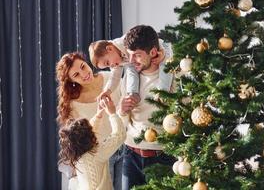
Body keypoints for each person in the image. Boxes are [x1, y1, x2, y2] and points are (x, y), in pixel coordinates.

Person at [118, 25, 176, 190]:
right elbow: (122, 123)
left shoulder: (173, 77)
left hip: (162, 157)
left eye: (137, 55)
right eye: (129, 55)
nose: (131, 61)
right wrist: (121, 111)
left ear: (153, 52)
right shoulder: (129, 80)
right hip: (130, 155)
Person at [56, 52, 123, 190]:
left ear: (87, 62)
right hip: (99, 157)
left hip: (125, 148)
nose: (84, 74)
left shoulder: (111, 79)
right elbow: (81, 138)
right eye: (76, 75)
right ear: (71, 81)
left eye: (83, 66)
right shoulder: (72, 104)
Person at [58, 95, 126, 190]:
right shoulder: (97, 153)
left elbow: (89, 131)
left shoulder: (77, 154)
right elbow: (119, 135)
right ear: (89, 137)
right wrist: (112, 113)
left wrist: (98, 115)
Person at [88, 33, 173, 101]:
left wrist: (162, 52)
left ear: (110, 49)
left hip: (160, 45)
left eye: (107, 62)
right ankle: (133, 93)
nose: (111, 66)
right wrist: (107, 91)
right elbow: (114, 77)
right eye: (107, 66)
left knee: (165, 65)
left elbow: (149, 39)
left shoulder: (126, 41)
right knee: (131, 70)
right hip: (134, 60)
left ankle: (163, 91)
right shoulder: (116, 60)